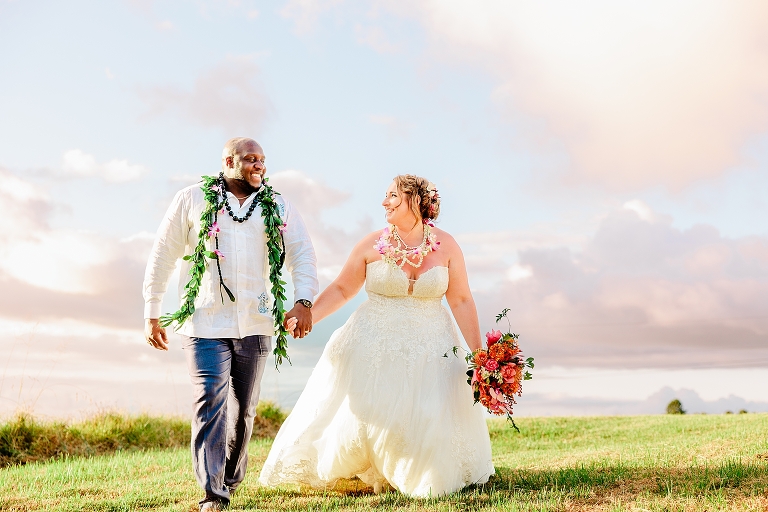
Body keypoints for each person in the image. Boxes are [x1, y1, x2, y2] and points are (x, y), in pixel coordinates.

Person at [260, 175, 494, 497]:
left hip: (433, 343)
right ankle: (378, 466)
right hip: (374, 341)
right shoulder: (371, 244)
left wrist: (480, 355)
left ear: (415, 200)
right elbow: (343, 288)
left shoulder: (448, 245)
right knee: (378, 410)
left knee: (428, 410)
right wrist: (308, 313)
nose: (385, 202)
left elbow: (461, 299)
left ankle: (423, 471)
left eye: (392, 196)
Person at [143, 137, 319, 511]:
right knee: (210, 401)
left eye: (263, 160)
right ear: (228, 161)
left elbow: (302, 252)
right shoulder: (192, 199)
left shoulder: (279, 205)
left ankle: (230, 477)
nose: (259, 165)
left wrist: (303, 302)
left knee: (244, 411)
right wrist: (152, 308)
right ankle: (213, 494)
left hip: (256, 321)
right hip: (204, 321)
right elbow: (163, 252)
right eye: (250, 159)